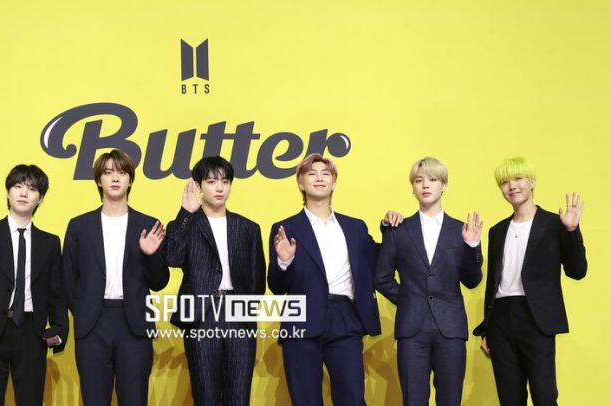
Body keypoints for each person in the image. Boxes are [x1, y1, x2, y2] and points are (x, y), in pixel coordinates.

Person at [269, 153, 401, 406]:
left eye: (325, 174)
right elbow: (276, 285)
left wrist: (389, 228)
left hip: (345, 316)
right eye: (312, 174)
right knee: (305, 400)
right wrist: (284, 262)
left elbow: (379, 261)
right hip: (302, 318)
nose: (319, 178)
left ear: (334, 182)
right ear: (300, 183)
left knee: (352, 398)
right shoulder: (285, 228)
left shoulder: (355, 227)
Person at [473, 157, 587, 406]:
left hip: (536, 318)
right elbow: (493, 283)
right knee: (509, 398)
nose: (512, 186)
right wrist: (487, 329)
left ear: (532, 182)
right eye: (505, 182)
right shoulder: (496, 231)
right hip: (501, 318)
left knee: (544, 395)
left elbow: (577, 270)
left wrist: (571, 231)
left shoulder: (554, 224)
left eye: (518, 178)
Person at [63, 149, 170, 405]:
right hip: (92, 324)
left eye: (121, 173)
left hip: (135, 324)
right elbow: (67, 279)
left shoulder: (148, 224)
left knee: (134, 399)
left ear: (130, 180)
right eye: (108, 172)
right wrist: (84, 310)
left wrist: (150, 255)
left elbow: (159, 282)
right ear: (98, 180)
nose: (115, 178)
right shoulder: (79, 226)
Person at [374, 157, 483, 405]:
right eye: (419, 180)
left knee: (450, 400)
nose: (425, 185)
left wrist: (472, 245)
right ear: (412, 187)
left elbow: (472, 280)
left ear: (444, 185)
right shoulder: (398, 229)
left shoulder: (462, 230)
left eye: (433, 179)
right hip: (411, 330)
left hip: (451, 329)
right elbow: (381, 277)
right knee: (413, 400)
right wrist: (409, 300)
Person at [0, 164, 67, 406]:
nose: (23, 193)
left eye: (32, 189)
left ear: (41, 198)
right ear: (8, 192)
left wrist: (59, 329)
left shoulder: (49, 243)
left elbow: (56, 292)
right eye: (17, 186)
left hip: (31, 333)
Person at [163, 156, 266, 405]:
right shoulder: (186, 224)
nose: (219, 188)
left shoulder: (248, 228)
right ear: (198, 186)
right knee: (206, 395)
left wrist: (245, 310)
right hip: (202, 315)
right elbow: (172, 257)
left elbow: (257, 281)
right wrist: (185, 214)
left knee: (239, 397)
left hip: (239, 316)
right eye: (211, 182)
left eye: (225, 181)